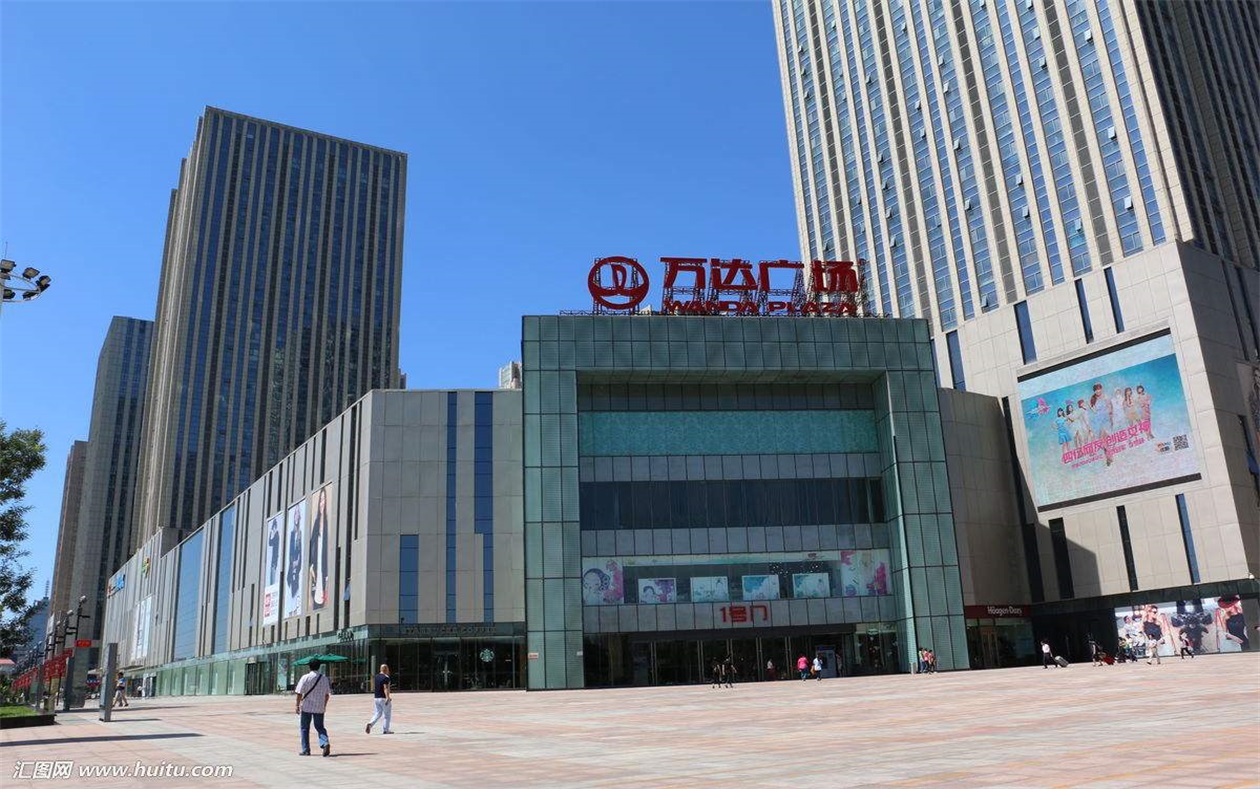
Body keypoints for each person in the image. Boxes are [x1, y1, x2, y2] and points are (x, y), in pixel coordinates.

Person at [294, 659, 332, 757]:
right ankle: (325, 742)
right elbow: (327, 695)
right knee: (320, 727)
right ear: (319, 667)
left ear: (309, 666)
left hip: (306, 707)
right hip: (319, 707)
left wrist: (297, 705)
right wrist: (324, 705)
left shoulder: (305, 677)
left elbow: (299, 693)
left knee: (304, 728)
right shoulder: (324, 678)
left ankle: (306, 750)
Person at [309, 489, 330, 611]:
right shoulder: (316, 523)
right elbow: (311, 546)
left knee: (323, 599)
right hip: (316, 569)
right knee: (315, 598)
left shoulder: (327, 522)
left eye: (324, 499)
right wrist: (311, 566)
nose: (322, 503)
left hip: (324, 570)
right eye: (321, 500)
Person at [365, 663, 393, 734]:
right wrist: (387, 697)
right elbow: (385, 688)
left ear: (380, 669)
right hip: (383, 698)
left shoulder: (376, 677)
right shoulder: (386, 677)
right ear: (386, 669)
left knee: (378, 713)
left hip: (376, 697)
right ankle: (386, 730)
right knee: (387, 715)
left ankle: (370, 724)